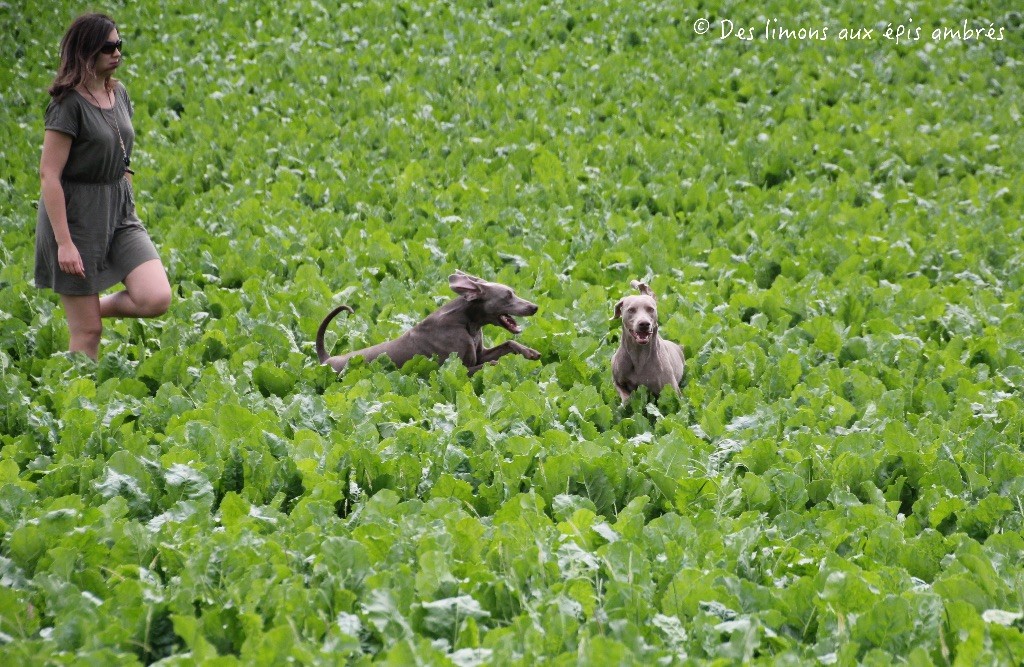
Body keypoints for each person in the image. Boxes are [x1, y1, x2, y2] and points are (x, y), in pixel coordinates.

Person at [36, 13, 171, 360]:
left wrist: (128, 195)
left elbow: (122, 150)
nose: (117, 53)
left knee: (156, 297)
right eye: (107, 47)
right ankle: (79, 406)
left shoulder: (118, 91)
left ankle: (92, 307)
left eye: (119, 45)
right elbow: (49, 174)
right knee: (88, 333)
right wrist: (64, 243)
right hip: (77, 215)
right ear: (86, 52)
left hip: (120, 209)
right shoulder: (67, 104)